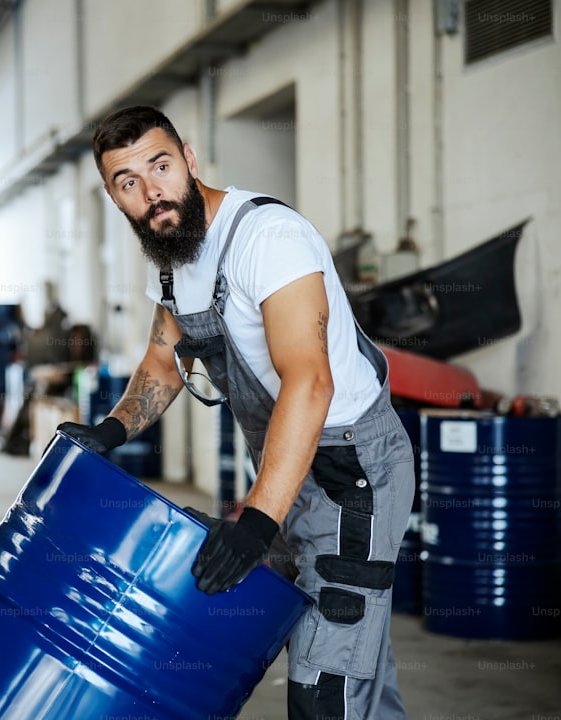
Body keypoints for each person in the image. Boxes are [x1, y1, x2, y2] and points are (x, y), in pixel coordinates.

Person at [57, 105, 414, 719]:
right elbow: (162, 365)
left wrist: (256, 521)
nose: (153, 192)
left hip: (353, 476)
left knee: (325, 692)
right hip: (286, 468)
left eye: (161, 166)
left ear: (190, 160)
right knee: (359, 677)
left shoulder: (267, 238)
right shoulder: (171, 257)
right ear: (116, 199)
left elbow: (310, 381)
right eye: (129, 182)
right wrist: (110, 429)